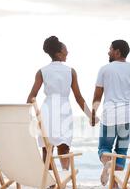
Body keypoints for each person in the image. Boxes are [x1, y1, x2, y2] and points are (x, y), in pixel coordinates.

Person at [27, 36, 93, 170]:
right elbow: (78, 97)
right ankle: (64, 174)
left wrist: (24, 116)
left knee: (47, 147)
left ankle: (50, 180)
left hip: (47, 110)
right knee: (64, 146)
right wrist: (90, 115)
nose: (67, 52)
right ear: (58, 52)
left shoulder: (42, 71)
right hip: (64, 109)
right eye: (65, 50)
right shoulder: (71, 71)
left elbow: (31, 97)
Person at [91, 39, 130, 185]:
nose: (108, 52)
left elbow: (98, 96)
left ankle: (107, 163)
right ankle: (115, 184)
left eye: (110, 49)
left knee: (104, 147)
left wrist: (93, 113)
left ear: (117, 52)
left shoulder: (104, 69)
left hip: (110, 115)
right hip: (129, 116)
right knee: (121, 150)